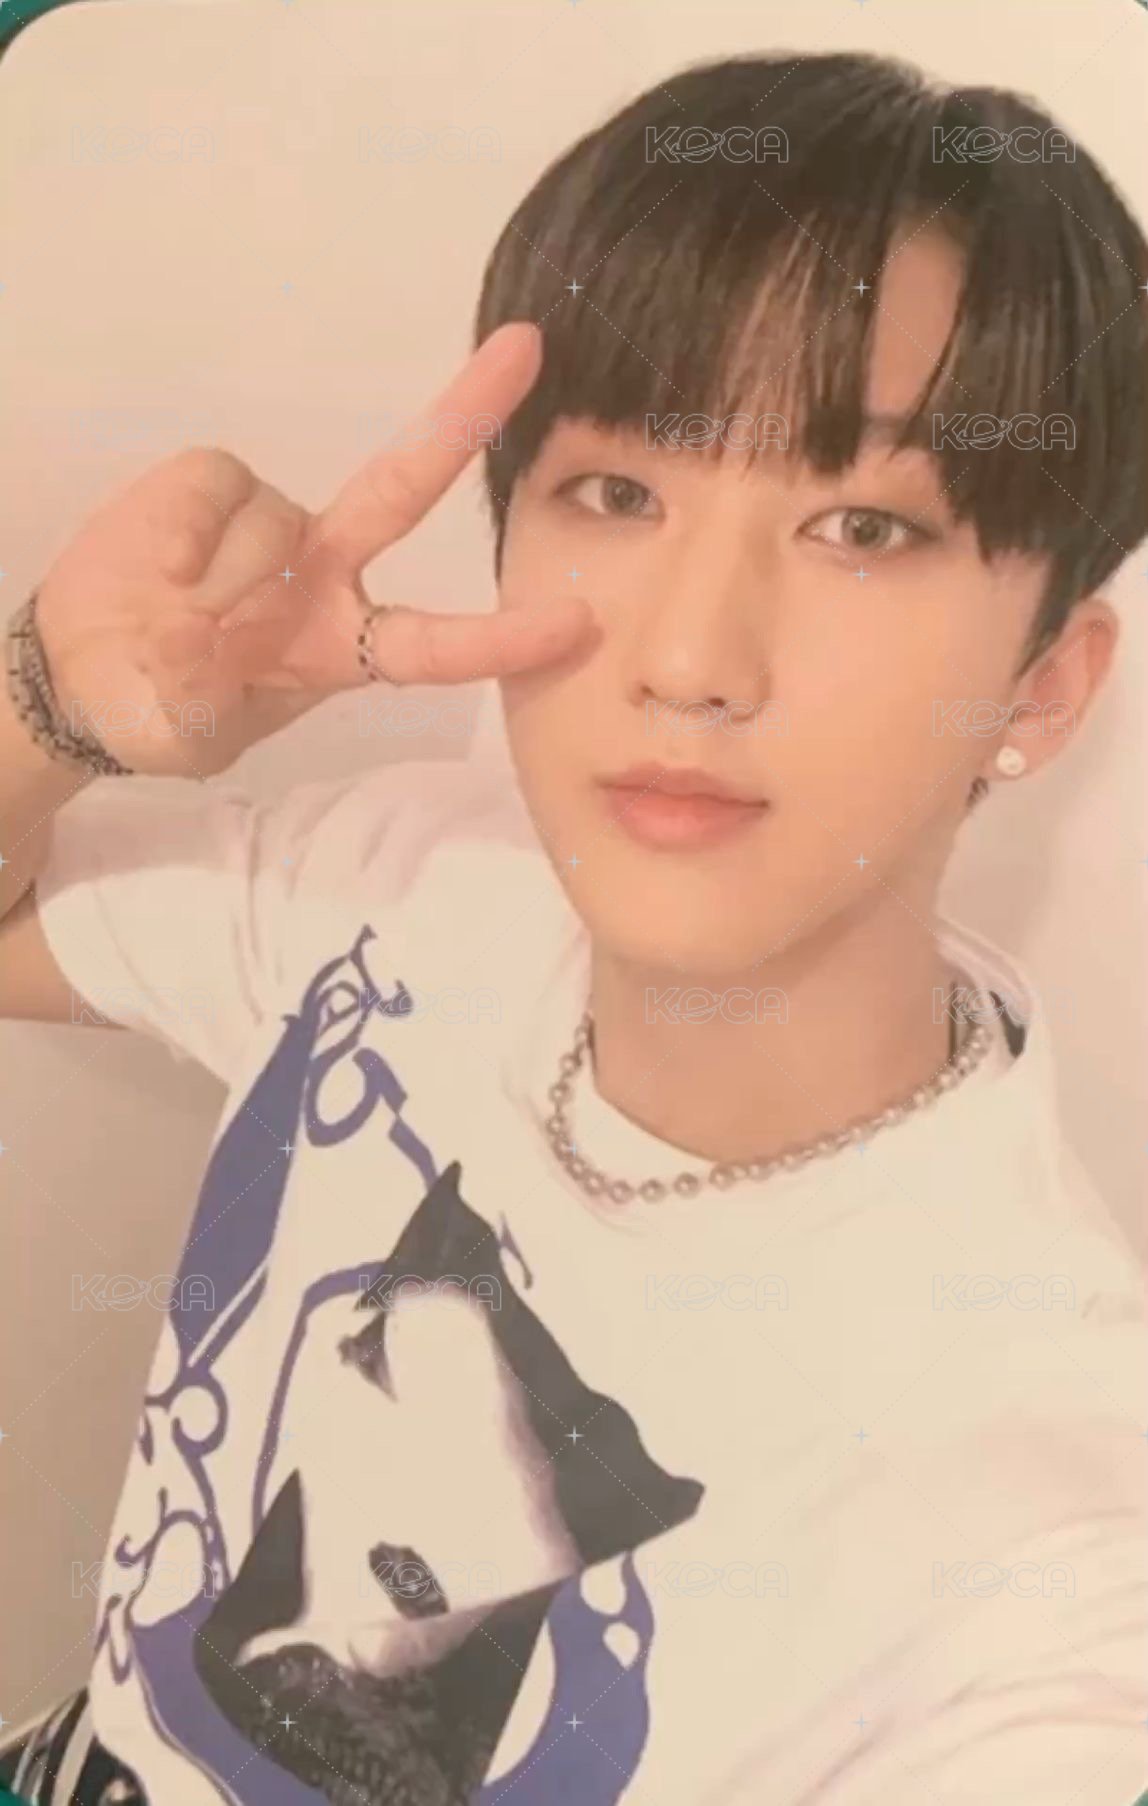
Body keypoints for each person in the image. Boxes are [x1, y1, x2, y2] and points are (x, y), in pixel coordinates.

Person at [1, 47, 1146, 1806]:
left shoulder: (1044, 1558)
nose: (689, 658)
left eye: (859, 525)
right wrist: (50, 712)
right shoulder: (415, 885)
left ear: (1044, 686)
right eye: (618, 494)